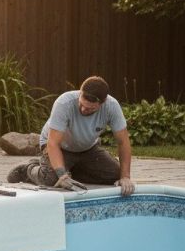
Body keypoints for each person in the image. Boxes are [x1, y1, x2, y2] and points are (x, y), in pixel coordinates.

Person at [7, 76, 135, 196]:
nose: (84, 110)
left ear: (103, 103)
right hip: (59, 147)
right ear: (80, 93)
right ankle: (28, 169)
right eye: (82, 105)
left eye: (90, 109)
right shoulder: (64, 103)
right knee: (51, 180)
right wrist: (62, 175)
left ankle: (70, 169)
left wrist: (125, 177)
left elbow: (123, 142)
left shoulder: (112, 106)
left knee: (116, 174)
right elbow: (53, 143)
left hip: (88, 149)